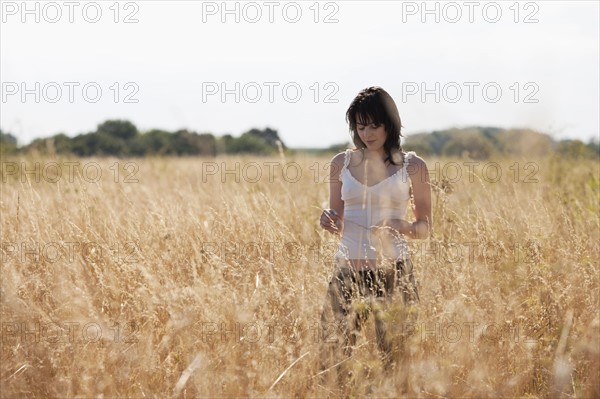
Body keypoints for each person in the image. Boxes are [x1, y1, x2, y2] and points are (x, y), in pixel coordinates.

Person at [318, 86, 432, 387]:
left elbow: (424, 228)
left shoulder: (413, 166)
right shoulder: (340, 163)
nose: (366, 133)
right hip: (347, 271)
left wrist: (400, 224)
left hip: (393, 272)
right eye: (360, 125)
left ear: (389, 123)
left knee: (394, 362)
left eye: (374, 125)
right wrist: (329, 220)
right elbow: (338, 218)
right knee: (333, 359)